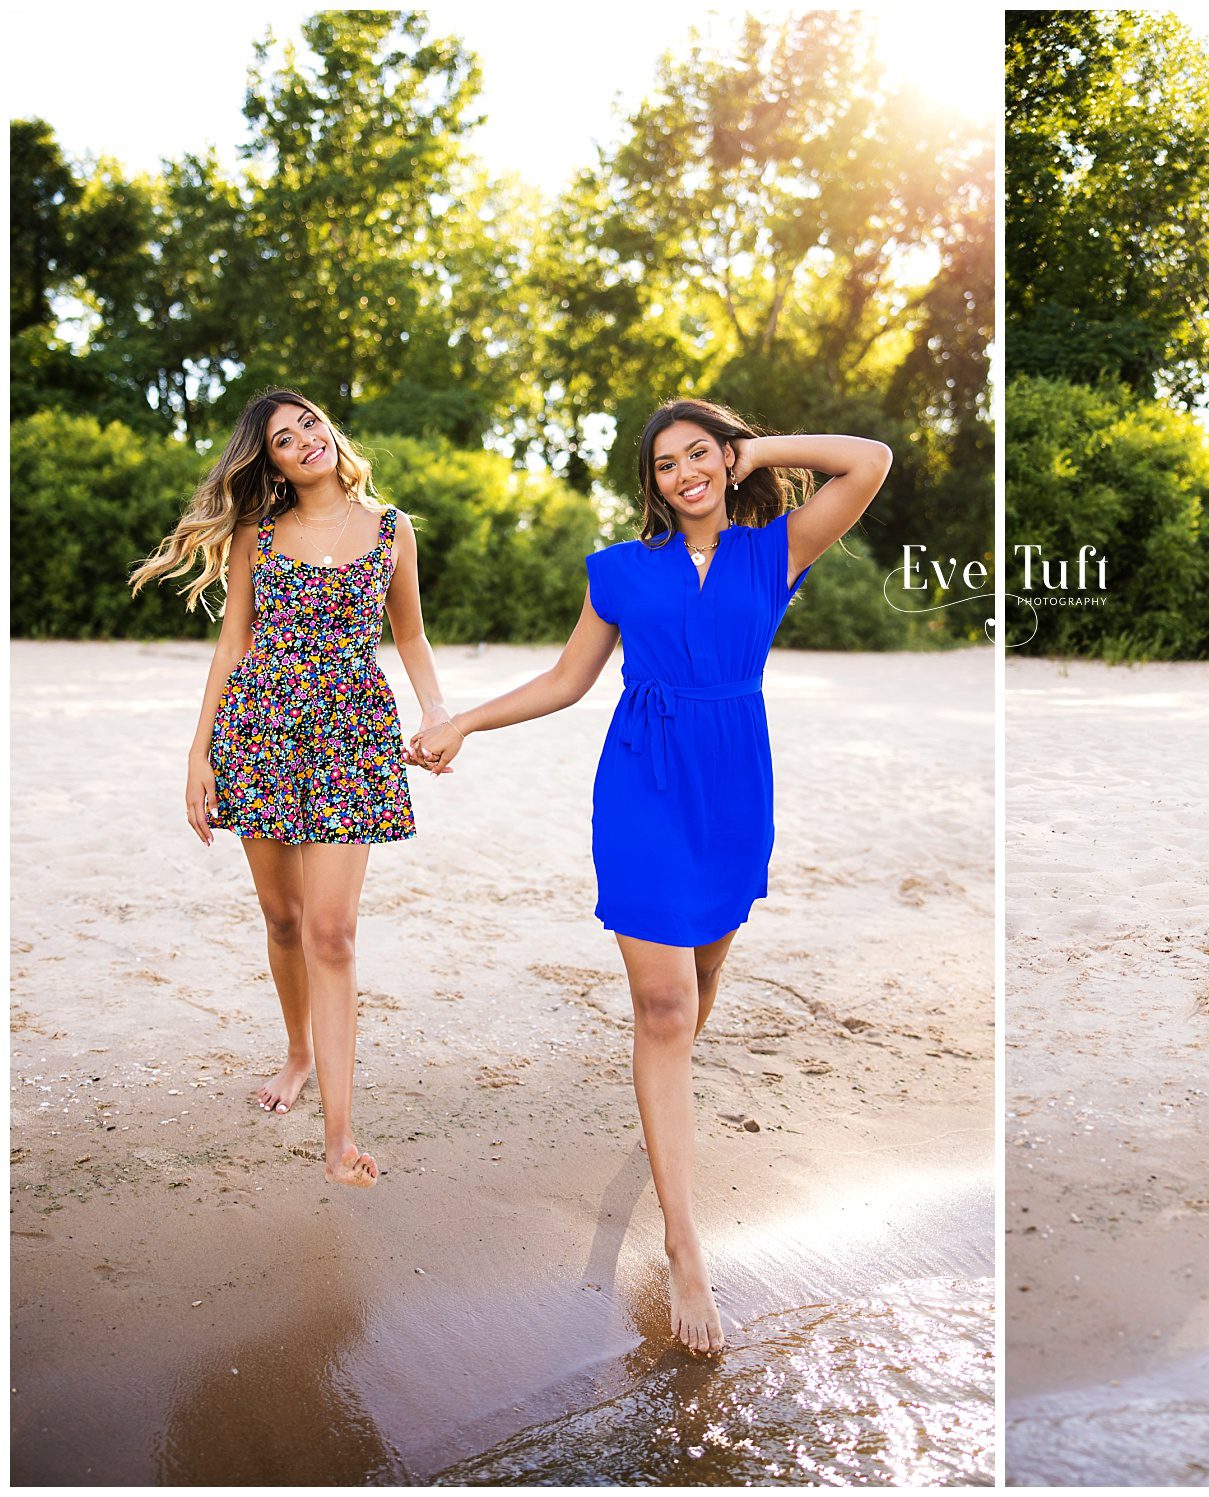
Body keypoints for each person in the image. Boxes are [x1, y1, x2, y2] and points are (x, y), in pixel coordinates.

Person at [408, 399, 891, 1354]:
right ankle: (682, 1241)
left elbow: (868, 460)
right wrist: (464, 721)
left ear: (726, 460)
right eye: (666, 464)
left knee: (703, 977)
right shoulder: (622, 570)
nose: (684, 474)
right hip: (643, 784)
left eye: (699, 455)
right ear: (652, 486)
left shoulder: (774, 550)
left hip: (733, 787)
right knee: (665, 1007)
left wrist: (757, 451)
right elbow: (564, 681)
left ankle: (659, 1102)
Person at [131, 387, 452, 1186]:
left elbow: (407, 632)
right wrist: (199, 756)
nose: (305, 438)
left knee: (332, 932)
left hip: (351, 733)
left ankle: (339, 1136)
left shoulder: (391, 527)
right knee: (283, 919)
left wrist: (439, 711)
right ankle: (298, 1051)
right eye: (283, 437)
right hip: (261, 730)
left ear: (329, 428)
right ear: (269, 461)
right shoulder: (256, 534)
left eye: (309, 421)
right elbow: (232, 644)